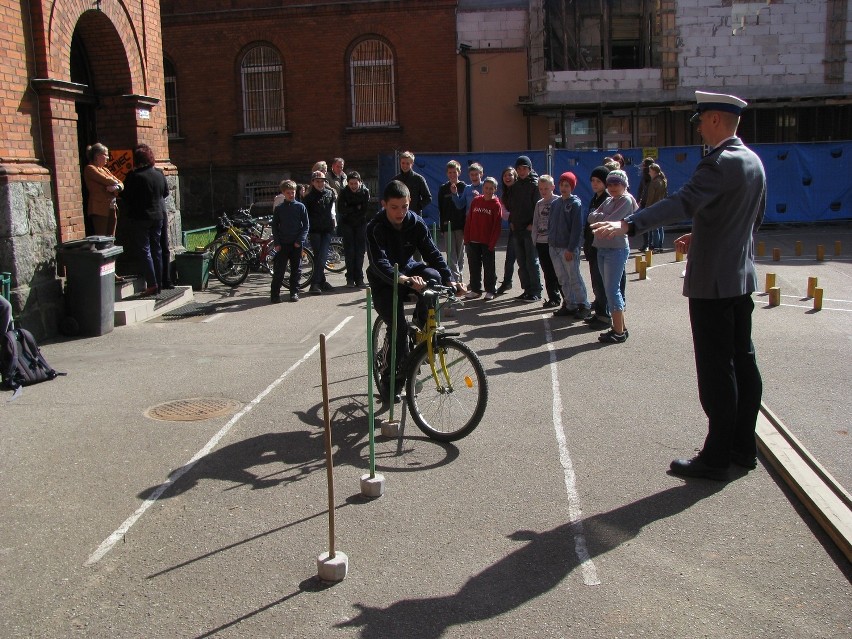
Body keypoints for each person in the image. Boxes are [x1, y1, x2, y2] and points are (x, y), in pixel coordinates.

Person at [592, 90, 766, 481]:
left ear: (717, 120)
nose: (700, 127)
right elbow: (751, 221)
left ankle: (716, 456)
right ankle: (742, 447)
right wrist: (704, 238)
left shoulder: (717, 164)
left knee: (716, 371)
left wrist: (629, 223)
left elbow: (683, 203)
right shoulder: (753, 161)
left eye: (702, 120)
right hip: (740, 277)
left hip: (712, 285)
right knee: (744, 361)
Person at [366, 180, 464, 400]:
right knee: (398, 330)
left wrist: (451, 281)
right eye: (394, 207)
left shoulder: (416, 223)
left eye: (404, 206)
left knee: (435, 276)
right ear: (384, 205)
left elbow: (432, 254)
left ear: (410, 202)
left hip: (408, 271)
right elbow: (378, 262)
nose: (400, 212)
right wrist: (402, 278)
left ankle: (419, 328)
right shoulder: (375, 227)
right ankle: (391, 383)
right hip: (384, 280)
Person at [587, 169, 638, 343]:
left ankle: (618, 331)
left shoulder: (626, 200)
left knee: (612, 290)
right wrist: (602, 216)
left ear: (624, 185)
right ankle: (620, 328)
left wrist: (602, 217)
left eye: (617, 184)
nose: (613, 187)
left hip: (616, 249)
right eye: (610, 184)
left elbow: (613, 221)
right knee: (609, 289)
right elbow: (591, 217)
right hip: (601, 248)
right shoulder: (608, 200)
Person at [120, 144, 168, 296]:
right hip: (158, 216)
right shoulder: (159, 174)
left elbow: (126, 196)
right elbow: (165, 193)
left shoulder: (134, 176)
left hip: (141, 217)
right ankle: (159, 284)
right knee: (157, 250)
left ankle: (152, 284)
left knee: (144, 249)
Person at [549, 172, 590, 319]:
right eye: (562, 185)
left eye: (567, 185)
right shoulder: (555, 203)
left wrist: (571, 248)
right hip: (554, 247)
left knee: (574, 277)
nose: (563, 188)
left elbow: (577, 229)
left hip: (568, 248)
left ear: (572, 187)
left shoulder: (575, 204)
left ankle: (583, 304)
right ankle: (570, 303)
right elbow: (551, 224)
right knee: (562, 278)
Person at [582, 165, 614, 327]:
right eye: (593, 181)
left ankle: (604, 316)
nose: (594, 184)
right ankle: (599, 311)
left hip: (601, 247)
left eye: (598, 181)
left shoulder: (607, 199)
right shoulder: (595, 198)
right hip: (592, 246)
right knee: (596, 281)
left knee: (602, 282)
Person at [463, 176, 503, 300]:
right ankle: (475, 290)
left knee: (489, 267)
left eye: (491, 188)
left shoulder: (496, 205)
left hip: (487, 242)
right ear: (483, 188)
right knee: (474, 266)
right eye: (486, 188)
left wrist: (492, 243)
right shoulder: (476, 201)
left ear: (495, 189)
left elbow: (497, 226)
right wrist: (467, 238)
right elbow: (469, 220)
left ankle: (490, 290)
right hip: (473, 241)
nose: (488, 190)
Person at [270, 179, 309, 303]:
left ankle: (294, 292)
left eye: (293, 192)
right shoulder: (280, 208)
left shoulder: (300, 207)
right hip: (283, 244)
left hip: (296, 244)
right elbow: (275, 227)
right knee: (279, 271)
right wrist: (277, 243)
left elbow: (306, 226)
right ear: (283, 193)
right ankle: (275, 294)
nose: (291, 195)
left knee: (296, 270)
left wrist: (300, 240)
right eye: (288, 193)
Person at [508, 155, 542, 302]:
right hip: (517, 228)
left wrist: (533, 224)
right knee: (521, 261)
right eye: (519, 169)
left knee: (531, 261)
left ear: (530, 169)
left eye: (524, 168)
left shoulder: (535, 185)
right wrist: (511, 221)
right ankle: (527, 290)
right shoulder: (515, 186)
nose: (522, 171)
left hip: (529, 229)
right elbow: (513, 207)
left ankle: (536, 291)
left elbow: (538, 207)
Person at [303, 170, 336, 293]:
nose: (320, 183)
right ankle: (316, 283)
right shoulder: (309, 197)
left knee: (321, 257)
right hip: (314, 230)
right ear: (312, 182)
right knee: (320, 257)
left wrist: (333, 221)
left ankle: (320, 282)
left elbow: (332, 210)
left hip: (326, 229)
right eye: (317, 181)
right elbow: (305, 214)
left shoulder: (329, 193)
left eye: (322, 181)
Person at [530, 175, 561, 308]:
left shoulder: (559, 201)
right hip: (541, 242)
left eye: (546, 188)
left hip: (554, 243)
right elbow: (535, 222)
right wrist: (534, 240)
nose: (543, 191)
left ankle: (567, 298)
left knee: (559, 271)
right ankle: (553, 298)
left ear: (553, 187)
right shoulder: (539, 203)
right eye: (541, 189)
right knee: (548, 272)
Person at [336, 171, 371, 287]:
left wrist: (350, 208)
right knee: (349, 252)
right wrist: (356, 207)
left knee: (360, 252)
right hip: (347, 224)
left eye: (355, 183)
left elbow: (365, 210)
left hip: (360, 223)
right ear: (348, 183)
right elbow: (341, 209)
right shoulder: (344, 192)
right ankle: (350, 278)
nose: (353, 186)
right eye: (351, 183)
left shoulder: (365, 192)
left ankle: (359, 278)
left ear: (360, 182)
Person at [437, 160, 468, 281]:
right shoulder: (443, 188)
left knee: (460, 253)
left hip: (460, 225)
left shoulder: (464, 187)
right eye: (450, 172)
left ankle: (459, 276)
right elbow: (441, 208)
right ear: (447, 174)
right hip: (447, 226)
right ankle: (454, 279)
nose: (452, 175)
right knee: (451, 254)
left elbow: (465, 206)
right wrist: (442, 226)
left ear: (459, 172)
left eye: (454, 172)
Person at [83, 143, 123, 237]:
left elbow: (121, 182)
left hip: (112, 206)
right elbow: (106, 180)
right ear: (97, 156)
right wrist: (115, 183)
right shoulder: (90, 168)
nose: (108, 158)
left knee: (111, 236)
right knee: (102, 236)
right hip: (99, 208)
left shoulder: (105, 170)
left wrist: (117, 187)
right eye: (106, 155)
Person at [496, 166, 521, 295]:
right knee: (510, 257)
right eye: (505, 175)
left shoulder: (520, 190)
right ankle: (507, 282)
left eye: (510, 175)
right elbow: (504, 213)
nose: (508, 177)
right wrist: (512, 219)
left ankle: (533, 287)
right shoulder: (505, 194)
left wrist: (514, 219)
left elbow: (522, 209)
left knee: (526, 259)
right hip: (513, 229)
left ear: (515, 176)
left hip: (523, 229)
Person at [392, 151, 432, 215]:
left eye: (407, 163)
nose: (405, 165)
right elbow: (392, 197)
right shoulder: (395, 180)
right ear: (400, 163)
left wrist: (418, 207)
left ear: (412, 164)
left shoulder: (419, 179)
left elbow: (428, 197)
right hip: (399, 214)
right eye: (403, 163)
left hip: (414, 215)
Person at [645, 163, 668, 252]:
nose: (649, 173)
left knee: (654, 228)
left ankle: (656, 246)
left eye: (650, 171)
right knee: (660, 227)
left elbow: (650, 197)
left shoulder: (654, 182)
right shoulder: (663, 180)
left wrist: (647, 208)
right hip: (661, 205)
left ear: (654, 172)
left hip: (654, 206)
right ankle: (660, 245)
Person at [637, 157, 655, 252]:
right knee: (647, 224)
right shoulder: (645, 176)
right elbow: (640, 188)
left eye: (644, 164)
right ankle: (647, 244)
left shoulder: (653, 176)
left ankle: (649, 244)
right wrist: (638, 199)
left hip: (650, 202)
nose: (642, 166)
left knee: (649, 224)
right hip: (646, 202)